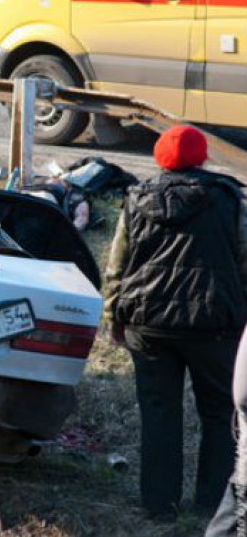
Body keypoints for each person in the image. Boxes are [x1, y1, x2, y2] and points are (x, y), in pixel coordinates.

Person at [103, 125, 247, 521]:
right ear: (202, 158)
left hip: (148, 323)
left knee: (159, 412)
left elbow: (117, 264)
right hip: (214, 323)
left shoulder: (136, 198)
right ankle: (211, 504)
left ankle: (158, 505)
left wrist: (112, 315)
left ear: (158, 158)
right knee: (220, 414)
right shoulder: (229, 199)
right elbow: (244, 261)